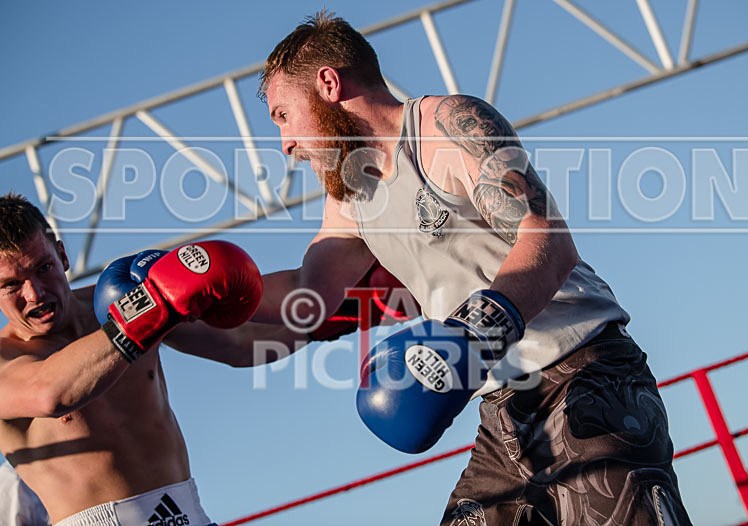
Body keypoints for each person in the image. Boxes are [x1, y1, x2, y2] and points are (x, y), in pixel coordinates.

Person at [247, 11, 694, 525]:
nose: (285, 143)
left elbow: (548, 239)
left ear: (328, 84)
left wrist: (475, 332)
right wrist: (189, 303)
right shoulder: (350, 193)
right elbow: (309, 291)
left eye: (284, 115)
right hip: (501, 407)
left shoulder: (445, 126)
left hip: (585, 372)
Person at [0, 193, 266, 525]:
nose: (35, 293)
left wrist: (321, 315)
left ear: (63, 255)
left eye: (44, 268)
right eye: (11, 285)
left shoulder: (118, 300)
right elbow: (50, 392)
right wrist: (152, 305)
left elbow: (240, 342)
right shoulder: (5, 358)